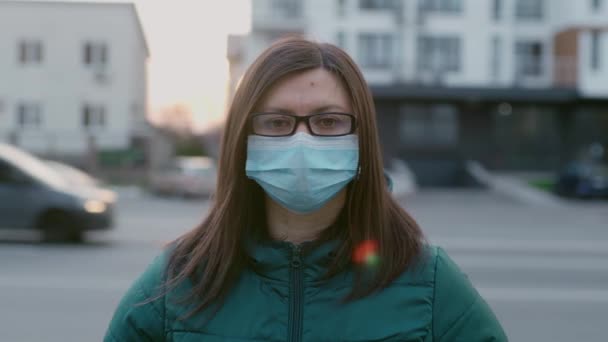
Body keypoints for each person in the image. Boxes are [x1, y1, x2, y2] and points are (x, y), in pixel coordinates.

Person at [105, 37, 507, 341]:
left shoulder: (428, 281)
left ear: (361, 137)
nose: (302, 140)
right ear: (244, 139)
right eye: (277, 122)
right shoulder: (179, 279)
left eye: (328, 121)